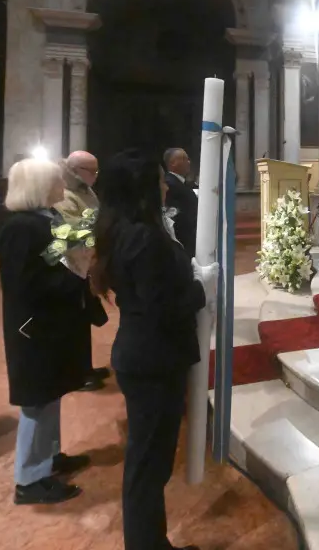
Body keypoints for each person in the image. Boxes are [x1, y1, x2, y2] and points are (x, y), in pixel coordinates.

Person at [92, 150, 205, 550]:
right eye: (158, 181)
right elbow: (164, 306)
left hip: (145, 354)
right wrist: (201, 287)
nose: (164, 187)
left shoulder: (124, 228)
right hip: (154, 357)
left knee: (150, 463)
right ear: (142, 188)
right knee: (147, 466)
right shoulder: (143, 235)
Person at [0, 159, 94, 505]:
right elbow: (27, 282)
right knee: (37, 400)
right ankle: (29, 479)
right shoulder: (21, 227)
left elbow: (55, 251)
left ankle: (49, 457)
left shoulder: (44, 220)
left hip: (50, 323)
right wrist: (74, 274)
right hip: (33, 326)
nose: (62, 188)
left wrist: (87, 235)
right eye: (55, 182)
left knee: (50, 393)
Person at [57, 150, 110, 391]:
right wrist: (101, 229)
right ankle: (76, 374)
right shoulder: (64, 195)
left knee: (83, 320)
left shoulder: (85, 191)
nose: (96, 176)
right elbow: (70, 232)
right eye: (92, 171)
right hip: (71, 266)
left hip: (87, 263)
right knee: (72, 322)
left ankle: (85, 367)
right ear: (76, 171)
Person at [163, 148, 197, 258]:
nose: (188, 162)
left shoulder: (183, 183)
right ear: (172, 163)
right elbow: (174, 214)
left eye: (188, 159)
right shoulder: (170, 184)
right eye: (183, 159)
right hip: (182, 240)